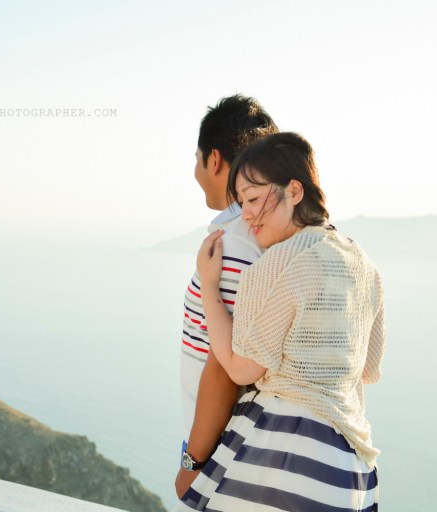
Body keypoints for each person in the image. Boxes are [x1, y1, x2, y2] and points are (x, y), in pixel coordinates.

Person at [180, 132, 385, 511]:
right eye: (241, 202)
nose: (246, 214)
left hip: (282, 459)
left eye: (255, 198)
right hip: (348, 465)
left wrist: (210, 287)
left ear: (294, 191)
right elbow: (368, 368)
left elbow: (241, 369)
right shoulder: (362, 262)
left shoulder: (276, 262)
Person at [176, 95, 278, 499]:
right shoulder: (259, 238)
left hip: (221, 460)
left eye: (197, 157)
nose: (196, 170)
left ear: (214, 160)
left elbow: (222, 365)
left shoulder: (233, 245)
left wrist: (192, 465)